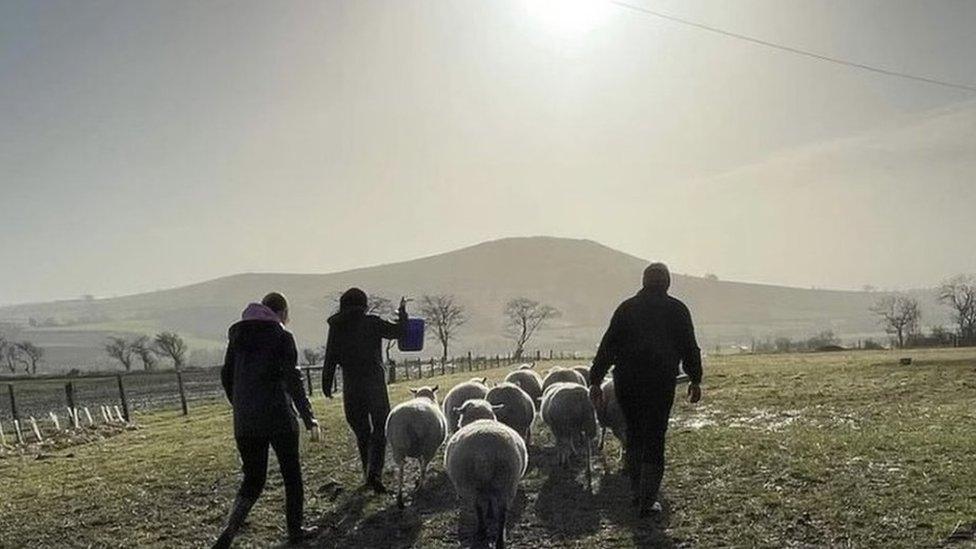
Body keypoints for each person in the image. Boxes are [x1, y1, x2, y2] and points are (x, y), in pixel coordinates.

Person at [588, 263, 703, 517]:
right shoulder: (677, 309)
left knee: (635, 433)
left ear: (643, 282)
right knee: (655, 435)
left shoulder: (626, 308)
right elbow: (689, 347)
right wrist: (695, 378)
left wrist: (595, 379)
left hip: (626, 383)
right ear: (667, 283)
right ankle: (648, 500)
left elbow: (607, 347)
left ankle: (637, 492)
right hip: (659, 383)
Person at [215, 292, 319, 548]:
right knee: (291, 476)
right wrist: (309, 418)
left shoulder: (237, 336)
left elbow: (227, 375)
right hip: (278, 416)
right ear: (282, 313)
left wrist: (240, 405)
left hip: (246, 421)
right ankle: (295, 531)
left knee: (253, 478)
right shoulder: (282, 336)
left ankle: (229, 530)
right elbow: (293, 381)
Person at [322, 288, 407, 494]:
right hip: (374, 383)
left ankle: (367, 470)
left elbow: (330, 357)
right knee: (380, 427)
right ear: (364, 304)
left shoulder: (336, 327)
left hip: (351, 385)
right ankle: (374, 473)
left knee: (361, 430)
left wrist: (327, 384)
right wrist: (402, 313)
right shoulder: (372, 323)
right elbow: (399, 332)